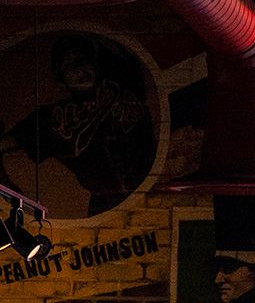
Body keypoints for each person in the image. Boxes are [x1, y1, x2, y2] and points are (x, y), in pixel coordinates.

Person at [0, 34, 157, 217]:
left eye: (83, 61)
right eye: (69, 66)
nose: (79, 69)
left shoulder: (122, 86)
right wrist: (10, 190)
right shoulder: (54, 118)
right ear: (60, 82)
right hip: (107, 206)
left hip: (152, 195)